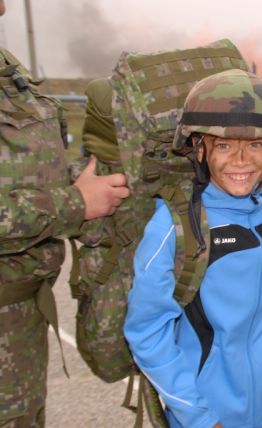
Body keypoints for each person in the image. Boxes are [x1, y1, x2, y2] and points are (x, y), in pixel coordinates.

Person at [123, 69, 262, 428]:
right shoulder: (175, 227)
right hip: (210, 414)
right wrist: (198, 416)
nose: (241, 160)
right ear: (200, 149)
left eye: (255, 145)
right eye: (224, 145)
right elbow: (147, 331)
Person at [0, 1, 130, 426]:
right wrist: (75, 204)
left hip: (22, 327)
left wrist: (99, 181)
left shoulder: (9, 70)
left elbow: (29, 170)